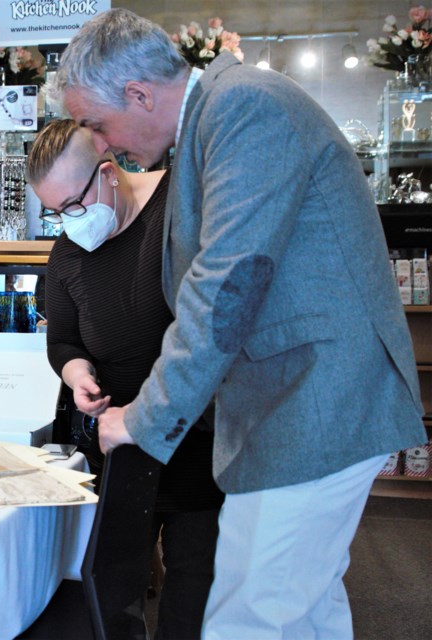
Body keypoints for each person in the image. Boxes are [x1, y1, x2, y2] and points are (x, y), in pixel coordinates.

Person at [50, 8, 427, 638]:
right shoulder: (219, 118)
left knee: (251, 618)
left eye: (97, 123)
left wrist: (142, 419)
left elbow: (226, 287)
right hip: (294, 404)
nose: (103, 142)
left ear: (139, 93)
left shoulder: (244, 108)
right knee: (303, 612)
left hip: (315, 402)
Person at [27, 118, 223, 639]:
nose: (69, 221)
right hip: (118, 453)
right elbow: (62, 341)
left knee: (194, 597)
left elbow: (211, 327)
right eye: (54, 213)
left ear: (108, 173)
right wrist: (77, 374)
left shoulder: (181, 209)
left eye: (73, 205)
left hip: (197, 443)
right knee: (113, 597)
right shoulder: (69, 250)